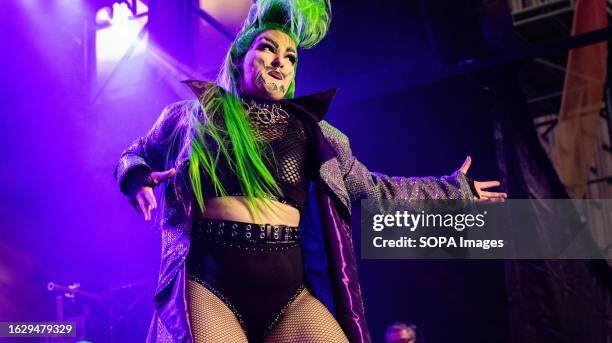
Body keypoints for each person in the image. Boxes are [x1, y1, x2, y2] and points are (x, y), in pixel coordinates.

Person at [113, 0, 507, 342]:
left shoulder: (314, 132)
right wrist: (137, 179)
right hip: (210, 285)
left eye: (290, 56)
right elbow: (133, 155)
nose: (280, 61)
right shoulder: (193, 117)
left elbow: (375, 189)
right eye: (267, 48)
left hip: (288, 294)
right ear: (239, 57)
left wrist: (454, 190)